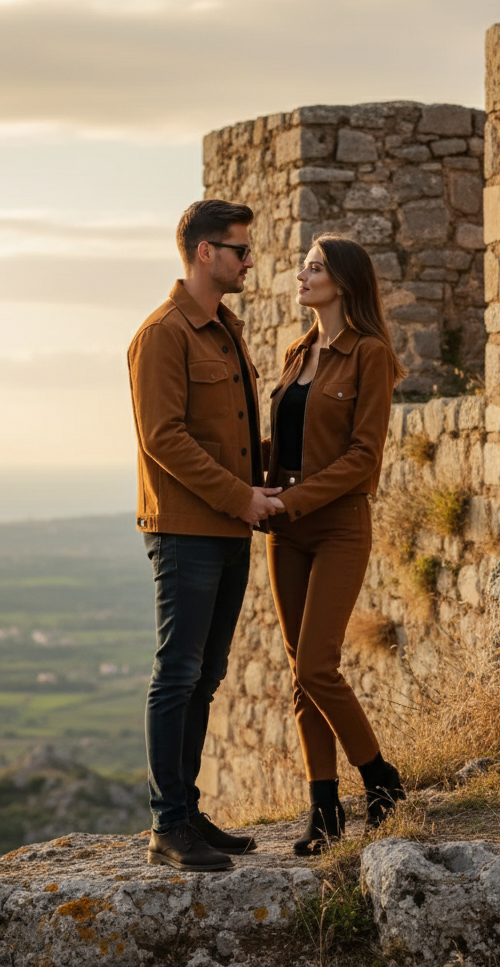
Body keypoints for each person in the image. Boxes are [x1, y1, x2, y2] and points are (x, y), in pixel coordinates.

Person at [127, 199, 285, 871]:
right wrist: (240, 496)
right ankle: (167, 826)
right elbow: (163, 439)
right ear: (203, 252)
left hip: (226, 527)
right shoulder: (163, 334)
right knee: (177, 675)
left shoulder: (224, 330)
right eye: (240, 250)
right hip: (186, 530)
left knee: (206, 676)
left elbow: (230, 438)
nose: (249, 261)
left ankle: (187, 812)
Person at [264, 232, 407, 855]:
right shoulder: (297, 351)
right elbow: (285, 444)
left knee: (318, 666)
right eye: (303, 267)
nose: (302, 276)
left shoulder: (370, 354)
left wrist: (291, 500)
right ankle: (323, 809)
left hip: (338, 523)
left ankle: (380, 779)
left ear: (343, 282)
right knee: (300, 673)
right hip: (285, 530)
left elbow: (363, 457)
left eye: (314, 268)